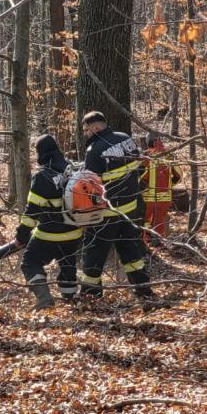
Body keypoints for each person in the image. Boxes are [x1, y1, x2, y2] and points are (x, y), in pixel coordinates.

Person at [79, 111, 153, 300]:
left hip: (106, 213)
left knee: (93, 254)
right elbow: (141, 168)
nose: (85, 135)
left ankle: (91, 296)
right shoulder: (126, 139)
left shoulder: (94, 150)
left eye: (86, 131)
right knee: (131, 252)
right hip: (129, 209)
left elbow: (89, 186)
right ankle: (144, 291)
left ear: (95, 128)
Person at [15, 135, 81, 309]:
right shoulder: (72, 168)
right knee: (68, 265)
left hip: (49, 233)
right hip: (75, 232)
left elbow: (32, 212)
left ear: (40, 152)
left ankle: (44, 298)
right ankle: (70, 300)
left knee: (29, 262)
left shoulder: (43, 176)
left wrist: (21, 235)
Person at [141, 132, 182, 248]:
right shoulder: (169, 156)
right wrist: (169, 185)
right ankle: (157, 243)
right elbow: (179, 176)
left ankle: (145, 245)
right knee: (159, 222)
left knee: (145, 221)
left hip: (147, 198)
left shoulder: (145, 157)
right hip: (164, 198)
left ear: (148, 142)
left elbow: (139, 177)